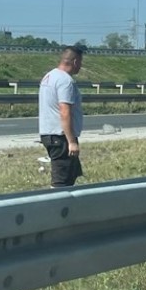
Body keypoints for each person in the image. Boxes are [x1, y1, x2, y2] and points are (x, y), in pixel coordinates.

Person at [38, 45, 85, 187]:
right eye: (80, 63)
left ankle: (69, 206)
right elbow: (65, 111)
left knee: (71, 173)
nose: (81, 66)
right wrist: (71, 141)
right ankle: (56, 207)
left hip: (49, 133)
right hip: (61, 137)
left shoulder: (49, 76)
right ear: (75, 62)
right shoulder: (66, 81)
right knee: (61, 181)